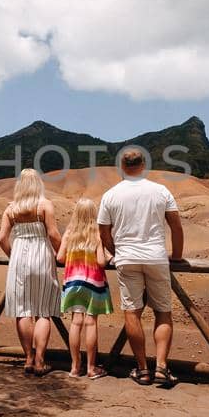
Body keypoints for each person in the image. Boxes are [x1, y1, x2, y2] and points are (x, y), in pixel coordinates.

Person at [98, 147, 184, 388]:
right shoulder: (161, 191)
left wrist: (117, 253)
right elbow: (176, 226)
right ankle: (162, 368)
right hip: (156, 257)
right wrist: (176, 256)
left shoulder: (110, 195)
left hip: (126, 258)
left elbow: (103, 233)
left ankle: (143, 369)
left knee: (132, 312)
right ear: (143, 165)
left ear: (122, 167)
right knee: (163, 312)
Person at [0, 168, 61, 376]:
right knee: (43, 310)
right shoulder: (44, 205)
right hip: (42, 256)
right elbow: (53, 234)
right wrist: (62, 255)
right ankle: (40, 361)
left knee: (23, 310)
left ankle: (28, 358)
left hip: (19, 258)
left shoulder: (11, 209)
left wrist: (13, 255)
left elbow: (1, 239)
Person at [56, 197, 112, 379]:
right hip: (93, 283)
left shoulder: (69, 233)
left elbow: (60, 258)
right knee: (91, 323)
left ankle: (74, 366)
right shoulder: (96, 235)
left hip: (73, 282)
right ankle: (91, 367)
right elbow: (102, 262)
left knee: (75, 323)